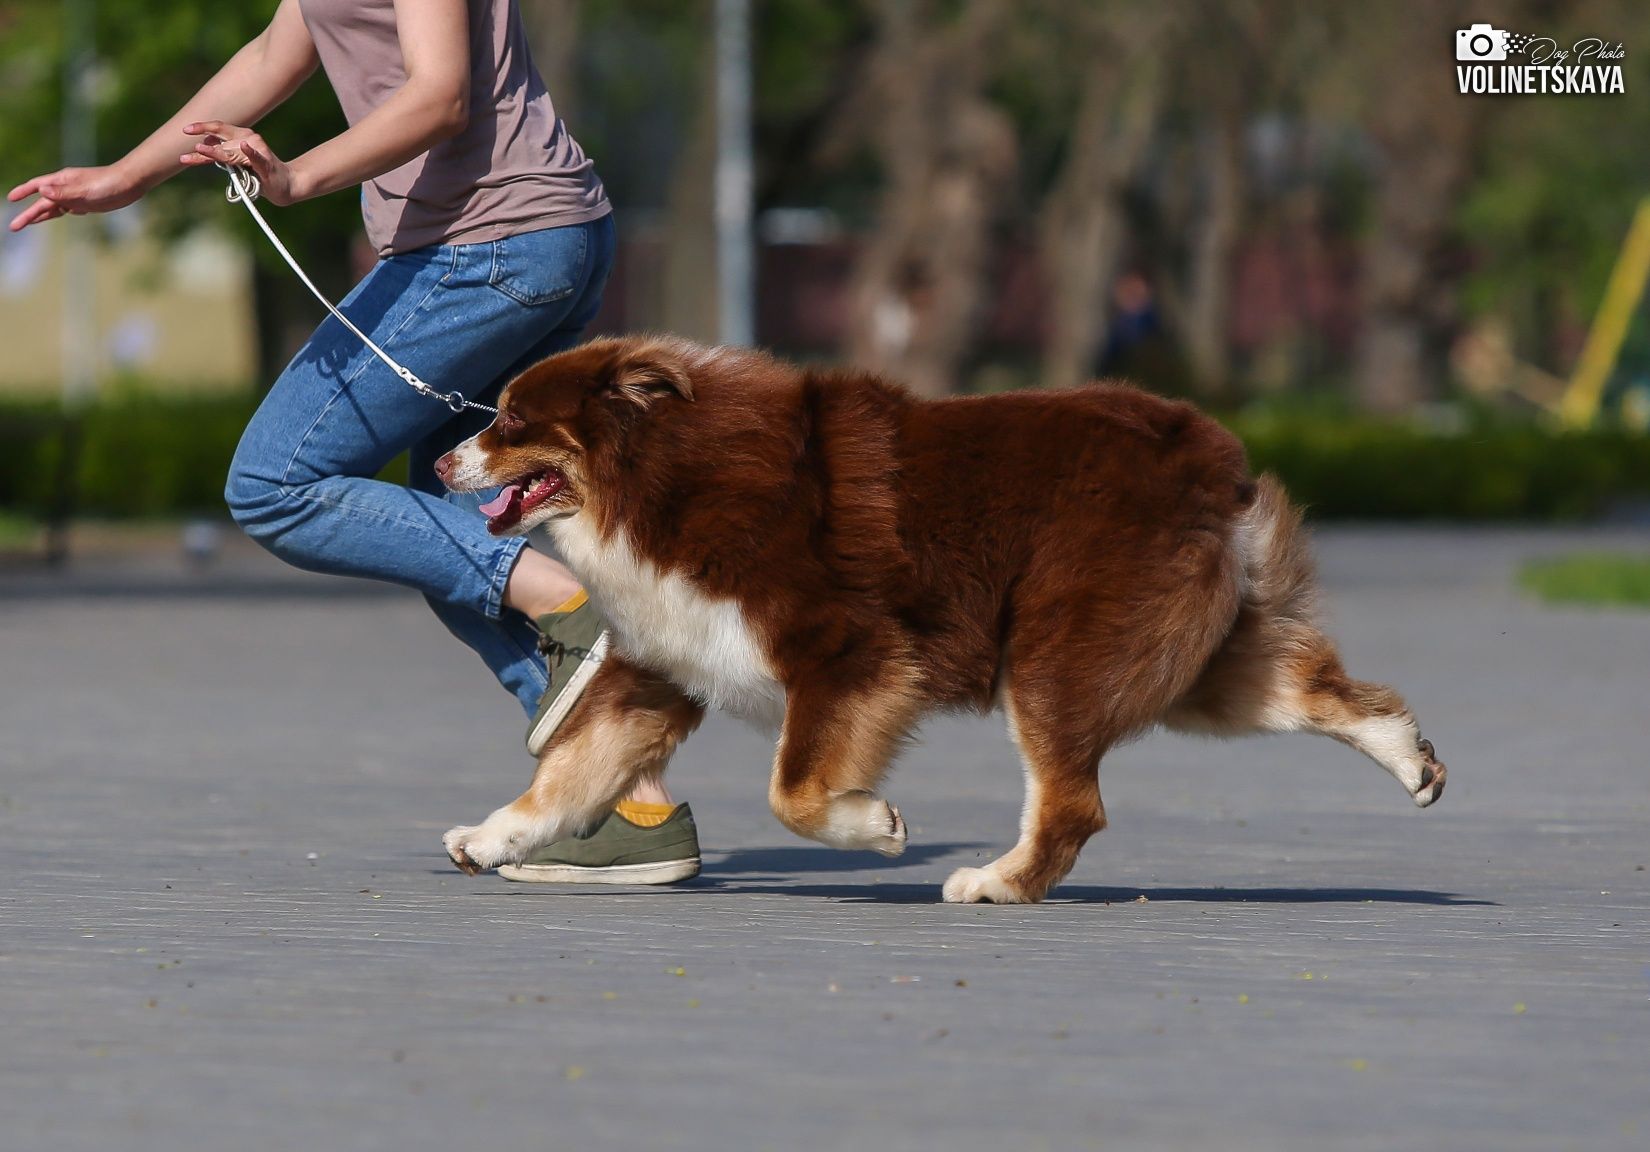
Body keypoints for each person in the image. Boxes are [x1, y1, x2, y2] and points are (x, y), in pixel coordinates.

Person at [6, 0, 700, 885]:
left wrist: (294, 179)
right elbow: (274, 50)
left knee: (276, 481)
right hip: (514, 243)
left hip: (486, 248)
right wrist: (130, 175)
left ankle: (574, 604)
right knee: (452, 530)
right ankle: (624, 807)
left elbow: (442, 94)